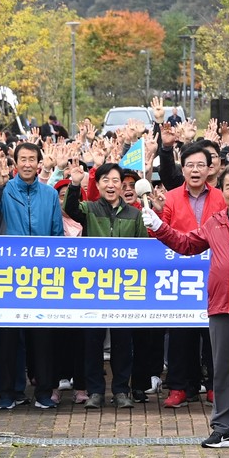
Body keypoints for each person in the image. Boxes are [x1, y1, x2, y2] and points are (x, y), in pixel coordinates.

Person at [143, 164, 229, 449]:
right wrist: (159, 227)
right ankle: (222, 429)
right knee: (220, 370)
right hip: (220, 305)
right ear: (222, 190)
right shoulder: (215, 221)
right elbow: (186, 244)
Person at [0, 141, 65, 410]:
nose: (27, 164)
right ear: (15, 163)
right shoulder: (4, 188)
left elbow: (56, 233)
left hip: (42, 274)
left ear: (39, 163)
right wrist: (0, 185)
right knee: (8, 336)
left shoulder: (50, 194)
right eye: (23, 159)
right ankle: (6, 393)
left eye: (32, 159)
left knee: (43, 336)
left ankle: (43, 392)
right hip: (10, 273)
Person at [64, 161, 148, 409]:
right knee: (93, 341)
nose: (111, 185)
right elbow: (70, 208)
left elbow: (142, 247)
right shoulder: (88, 209)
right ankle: (95, 391)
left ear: (122, 186)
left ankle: (122, 390)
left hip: (124, 287)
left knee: (123, 342)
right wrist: (75, 183)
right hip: (94, 287)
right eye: (105, 181)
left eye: (115, 181)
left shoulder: (134, 214)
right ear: (98, 184)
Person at [152, 142, 225, 408]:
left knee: (214, 333)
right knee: (181, 332)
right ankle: (180, 387)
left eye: (200, 165)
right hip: (179, 276)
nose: (195, 170)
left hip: (215, 274)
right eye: (190, 165)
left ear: (210, 169)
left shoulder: (221, 197)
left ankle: (215, 385)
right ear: (182, 169)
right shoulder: (170, 197)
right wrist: (159, 213)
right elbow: (158, 233)